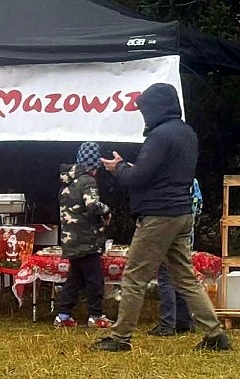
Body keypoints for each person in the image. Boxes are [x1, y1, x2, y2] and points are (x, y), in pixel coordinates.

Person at [96, 83, 230, 352]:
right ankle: (215, 334)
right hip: (181, 213)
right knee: (185, 277)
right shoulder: (186, 133)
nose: (144, 115)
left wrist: (118, 168)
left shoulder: (159, 136)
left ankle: (120, 338)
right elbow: (162, 173)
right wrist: (129, 167)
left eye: (145, 110)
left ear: (156, 108)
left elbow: (137, 178)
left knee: (134, 276)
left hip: (158, 216)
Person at [54, 142, 113, 329]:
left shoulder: (67, 181)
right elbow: (93, 205)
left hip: (70, 239)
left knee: (75, 279)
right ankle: (96, 316)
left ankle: (63, 316)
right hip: (87, 240)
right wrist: (107, 211)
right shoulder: (87, 181)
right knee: (95, 279)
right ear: (94, 164)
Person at [150, 178, 203, 337]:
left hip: (165, 237)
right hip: (186, 237)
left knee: (166, 280)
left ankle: (167, 324)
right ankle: (184, 321)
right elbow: (199, 207)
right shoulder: (192, 181)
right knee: (181, 280)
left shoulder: (165, 180)